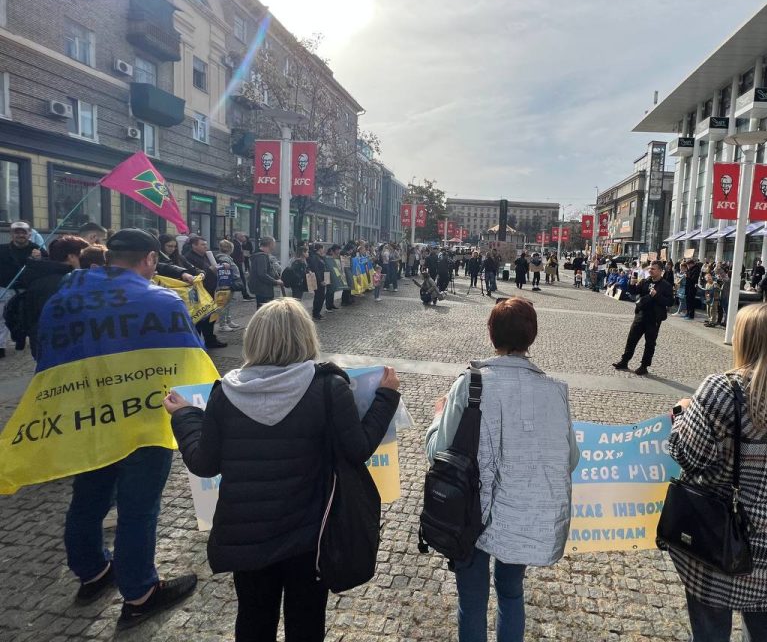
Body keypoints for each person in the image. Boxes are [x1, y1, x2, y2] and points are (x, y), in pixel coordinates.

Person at [164, 298, 400, 641]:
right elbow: (358, 449)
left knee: (253, 621)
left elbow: (204, 463)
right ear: (307, 337)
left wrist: (185, 416)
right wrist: (386, 398)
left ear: (254, 338)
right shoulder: (328, 387)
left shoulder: (224, 393)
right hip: (310, 537)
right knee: (306, 623)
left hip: (247, 540)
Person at [58, 229, 198, 627]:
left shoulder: (69, 296)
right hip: (143, 420)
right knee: (138, 509)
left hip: (89, 416)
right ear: (151, 260)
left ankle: (92, 573)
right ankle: (139, 594)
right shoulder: (162, 300)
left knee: (87, 498)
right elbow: (187, 359)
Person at [669, 303, 767, 642]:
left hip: (719, 539)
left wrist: (681, 415)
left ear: (745, 339)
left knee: (710, 632)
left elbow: (690, 457)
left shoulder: (721, 389)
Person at [426, 297, 578, 642]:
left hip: (470, 515)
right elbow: (569, 460)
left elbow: (438, 451)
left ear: (491, 333)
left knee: (472, 600)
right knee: (511, 593)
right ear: (532, 336)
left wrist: (438, 417)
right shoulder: (555, 391)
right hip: (521, 518)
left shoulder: (471, 384)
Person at [20, 235, 89, 359]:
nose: (85, 261)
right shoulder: (68, 282)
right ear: (71, 257)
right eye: (82, 257)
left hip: (43, 347)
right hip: (63, 350)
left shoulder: (39, 276)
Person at [612, 260, 672, 376]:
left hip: (654, 319)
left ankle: (644, 366)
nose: (650, 270)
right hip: (641, 315)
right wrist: (632, 284)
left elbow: (669, 302)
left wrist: (657, 295)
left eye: (653, 269)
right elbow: (634, 292)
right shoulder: (645, 281)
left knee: (650, 343)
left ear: (660, 271)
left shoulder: (666, 285)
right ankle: (624, 361)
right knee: (631, 339)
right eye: (650, 268)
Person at [0, 221, 45, 356]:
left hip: (28, 290)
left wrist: (40, 259)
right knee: (2, 317)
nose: (20, 235)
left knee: (28, 317)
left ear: (29, 234)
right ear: (11, 234)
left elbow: (47, 267)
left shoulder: (37, 249)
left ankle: (23, 339)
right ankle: (0, 345)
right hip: (6, 288)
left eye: (23, 232)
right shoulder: (2, 249)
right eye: (17, 232)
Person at [183, 235, 227, 350]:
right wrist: (209, 270)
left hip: (211, 290)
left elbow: (216, 263)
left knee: (211, 316)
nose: (205, 247)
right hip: (199, 292)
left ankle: (210, 339)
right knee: (199, 317)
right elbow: (195, 274)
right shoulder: (188, 257)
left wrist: (221, 265)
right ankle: (197, 343)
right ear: (194, 245)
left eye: (206, 244)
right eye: (202, 244)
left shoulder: (206, 256)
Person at [214, 240, 243, 334]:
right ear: (230, 249)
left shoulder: (226, 257)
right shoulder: (224, 258)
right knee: (224, 305)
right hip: (225, 284)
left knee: (228, 304)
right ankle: (223, 324)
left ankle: (228, 321)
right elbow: (225, 268)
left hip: (229, 283)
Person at [249, 237, 283, 309]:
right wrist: (275, 281)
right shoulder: (262, 256)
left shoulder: (259, 255)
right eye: (274, 244)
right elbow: (262, 274)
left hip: (261, 288)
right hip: (263, 289)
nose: (274, 246)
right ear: (270, 244)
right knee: (265, 310)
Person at [231, 232, 254, 300]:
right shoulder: (236, 244)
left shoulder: (239, 243)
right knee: (242, 279)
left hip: (238, 263)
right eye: (242, 236)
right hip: (237, 263)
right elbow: (235, 254)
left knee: (236, 278)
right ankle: (245, 295)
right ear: (239, 237)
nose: (244, 237)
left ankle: (242, 294)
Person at [307, 243, 327, 320]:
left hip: (322, 279)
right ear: (320, 249)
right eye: (323, 248)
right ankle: (316, 313)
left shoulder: (320, 257)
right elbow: (316, 270)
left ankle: (317, 312)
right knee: (319, 296)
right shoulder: (315, 257)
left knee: (321, 296)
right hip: (318, 280)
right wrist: (320, 280)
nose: (324, 250)